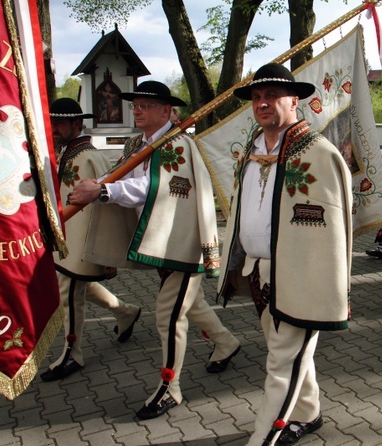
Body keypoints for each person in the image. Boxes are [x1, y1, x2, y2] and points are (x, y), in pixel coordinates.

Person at [69, 81, 241, 420]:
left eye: (146, 104)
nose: (137, 109)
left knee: (168, 314)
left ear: (166, 110)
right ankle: (226, 342)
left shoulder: (178, 144)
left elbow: (153, 188)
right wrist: (98, 184)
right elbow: (120, 174)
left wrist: (103, 191)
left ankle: (170, 388)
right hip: (160, 240)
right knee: (190, 303)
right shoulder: (138, 143)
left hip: (183, 242)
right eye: (136, 104)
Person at [218, 63, 352, 445]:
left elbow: (333, 232)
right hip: (258, 273)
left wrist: (325, 287)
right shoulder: (252, 150)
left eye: (273, 95)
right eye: (257, 97)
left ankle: (263, 438)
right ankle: (308, 414)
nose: (263, 103)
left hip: (299, 274)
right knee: (287, 354)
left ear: (295, 100)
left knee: (280, 363)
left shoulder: (318, 153)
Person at [40, 98, 141, 382]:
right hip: (65, 241)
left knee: (69, 295)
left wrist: (105, 254)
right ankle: (126, 312)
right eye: (53, 122)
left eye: (60, 122)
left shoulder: (87, 156)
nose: (55, 128)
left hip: (80, 244)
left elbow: (107, 206)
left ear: (77, 124)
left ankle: (73, 354)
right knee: (76, 288)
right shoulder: (65, 153)